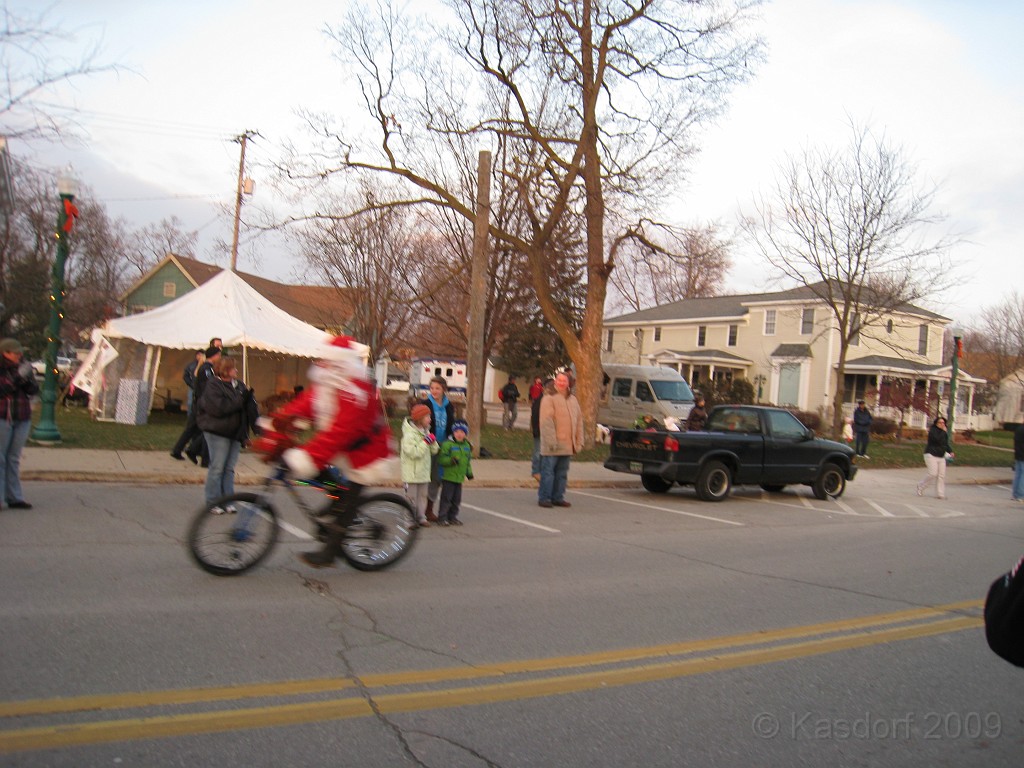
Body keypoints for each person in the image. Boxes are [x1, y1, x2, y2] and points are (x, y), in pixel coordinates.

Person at [277, 335, 398, 568]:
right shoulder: (328, 384)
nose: (324, 365)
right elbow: (304, 404)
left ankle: (330, 552)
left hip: (366, 454)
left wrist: (305, 457)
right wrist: (277, 423)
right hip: (344, 448)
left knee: (347, 506)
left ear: (343, 364)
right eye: (324, 361)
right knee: (317, 472)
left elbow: (340, 432)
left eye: (330, 362)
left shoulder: (355, 391)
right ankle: (337, 495)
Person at [196, 355, 258, 510]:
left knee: (229, 469)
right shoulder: (213, 386)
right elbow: (220, 409)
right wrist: (240, 399)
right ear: (225, 370)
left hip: (235, 433)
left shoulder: (239, 386)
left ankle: (228, 500)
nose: (236, 370)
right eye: (233, 368)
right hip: (218, 431)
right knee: (217, 467)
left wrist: (254, 430)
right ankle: (213, 501)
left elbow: (248, 409)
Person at [0, 338, 39, 510]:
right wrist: (19, 377)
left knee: (14, 458)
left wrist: (28, 378)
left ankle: (14, 497)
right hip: (3, 416)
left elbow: (33, 390)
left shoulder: (23, 367)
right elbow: (3, 390)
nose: (19, 355)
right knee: (0, 457)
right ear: (5, 353)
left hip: (22, 416)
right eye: (16, 353)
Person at [538, 372, 583, 508]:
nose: (561, 382)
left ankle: (558, 497)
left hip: (568, 443)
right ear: (555, 381)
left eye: (564, 380)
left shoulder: (573, 400)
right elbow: (546, 421)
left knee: (562, 473)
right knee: (548, 471)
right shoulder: (549, 397)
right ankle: (544, 497)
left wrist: (578, 440)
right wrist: (551, 442)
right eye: (559, 380)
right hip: (553, 443)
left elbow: (579, 421)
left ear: (569, 383)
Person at [171, 345, 221, 464]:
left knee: (192, 428)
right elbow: (208, 386)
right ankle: (193, 450)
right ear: (213, 356)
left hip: (199, 402)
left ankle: (178, 450)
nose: (220, 357)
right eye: (218, 355)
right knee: (205, 429)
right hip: (202, 403)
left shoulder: (207, 367)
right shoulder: (207, 369)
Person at [423, 376, 454, 522]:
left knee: (436, 478)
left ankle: (429, 509)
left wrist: (451, 442)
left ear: (443, 389)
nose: (434, 391)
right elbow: (419, 425)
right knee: (422, 477)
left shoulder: (449, 406)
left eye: (437, 388)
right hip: (428, 445)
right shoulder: (425, 404)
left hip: (442, 446)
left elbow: (451, 426)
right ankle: (416, 509)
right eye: (432, 388)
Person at [401, 403, 439, 527]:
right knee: (411, 497)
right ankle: (409, 519)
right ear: (420, 418)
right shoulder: (409, 435)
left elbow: (434, 450)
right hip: (411, 473)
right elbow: (413, 452)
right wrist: (425, 443)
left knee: (422, 497)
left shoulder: (426, 432)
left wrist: (432, 442)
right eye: (428, 417)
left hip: (423, 472)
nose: (430, 419)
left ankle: (421, 517)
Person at [436, 419, 473, 525]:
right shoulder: (447, 445)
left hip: (459, 477)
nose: (459, 434)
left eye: (462, 432)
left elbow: (467, 462)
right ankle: (442, 517)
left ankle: (452, 516)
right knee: (446, 498)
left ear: (465, 434)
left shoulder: (466, 446)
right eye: (457, 432)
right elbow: (441, 460)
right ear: (453, 432)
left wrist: (468, 472)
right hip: (448, 476)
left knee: (456, 499)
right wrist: (451, 461)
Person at [916, 416, 953, 499]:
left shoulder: (944, 432)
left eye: (943, 423)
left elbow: (945, 443)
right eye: (940, 423)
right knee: (932, 474)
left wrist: (950, 451)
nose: (942, 424)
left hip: (941, 456)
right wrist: (943, 432)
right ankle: (921, 485)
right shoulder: (933, 431)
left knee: (941, 475)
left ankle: (940, 494)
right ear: (936, 423)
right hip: (931, 454)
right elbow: (937, 440)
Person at [530, 378, 552, 482]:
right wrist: (536, 429)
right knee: (538, 451)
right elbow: (535, 415)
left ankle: (543, 470)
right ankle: (535, 471)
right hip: (540, 429)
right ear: (544, 388)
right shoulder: (540, 400)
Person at [183, 349, 205, 416]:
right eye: (199, 355)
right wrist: (190, 384)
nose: (201, 357)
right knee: (190, 402)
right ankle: (190, 416)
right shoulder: (191, 365)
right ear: (196, 356)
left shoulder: (206, 365)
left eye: (202, 355)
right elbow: (186, 376)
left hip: (203, 388)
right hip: (193, 387)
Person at [1013, 423, 1024, 503]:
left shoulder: (1018, 429)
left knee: (1018, 474)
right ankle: (1020, 495)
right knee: (1023, 476)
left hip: (1018, 454)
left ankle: (1015, 494)